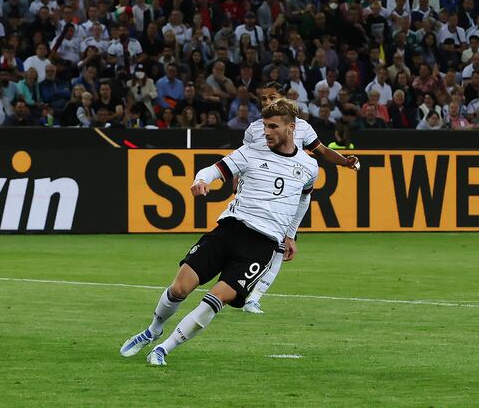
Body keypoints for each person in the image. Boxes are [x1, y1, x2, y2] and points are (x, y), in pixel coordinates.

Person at [120, 99, 319, 366]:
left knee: (215, 299)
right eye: (264, 126)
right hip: (229, 230)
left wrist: (291, 233)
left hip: (261, 247)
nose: (267, 132)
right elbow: (213, 170)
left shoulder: (309, 167)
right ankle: (153, 329)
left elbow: (303, 200)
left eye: (273, 126)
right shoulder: (251, 151)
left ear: (291, 128)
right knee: (179, 288)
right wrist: (200, 181)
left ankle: (163, 350)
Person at [238, 82, 359, 314]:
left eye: (271, 97)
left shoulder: (302, 127)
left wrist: (344, 161)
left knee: (282, 245)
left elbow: (321, 150)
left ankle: (255, 297)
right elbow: (243, 158)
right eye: (263, 98)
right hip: (260, 195)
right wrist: (237, 178)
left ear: (284, 99)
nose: (266, 102)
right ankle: (237, 286)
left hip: (292, 199)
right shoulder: (255, 129)